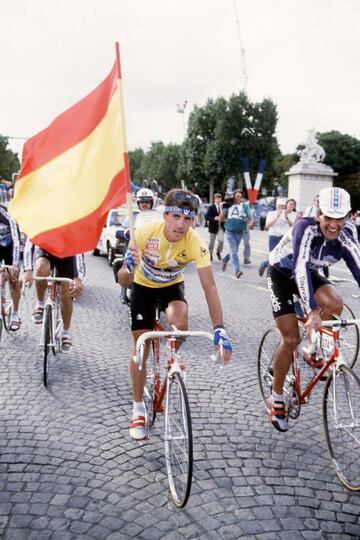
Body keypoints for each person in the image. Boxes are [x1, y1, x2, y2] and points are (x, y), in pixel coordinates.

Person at [118, 188, 233, 440]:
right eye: (176, 217)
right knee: (140, 349)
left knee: (180, 321)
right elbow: (122, 279)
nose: (181, 225)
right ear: (166, 215)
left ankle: (172, 358)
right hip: (143, 287)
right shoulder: (144, 233)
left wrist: (219, 328)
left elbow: (210, 287)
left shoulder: (195, 243)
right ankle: (138, 407)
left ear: (194, 221)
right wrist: (129, 266)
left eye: (188, 219)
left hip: (171, 286)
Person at [266, 186, 360, 432]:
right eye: (328, 217)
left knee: (335, 303)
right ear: (318, 214)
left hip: (309, 274)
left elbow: (359, 268)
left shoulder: (348, 233)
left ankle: (312, 348)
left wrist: (318, 312)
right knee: (289, 338)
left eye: (340, 218)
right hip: (282, 274)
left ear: (349, 217)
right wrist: (312, 312)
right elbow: (298, 268)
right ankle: (276, 396)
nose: (333, 224)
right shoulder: (304, 228)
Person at [30, 248, 85, 352]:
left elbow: (78, 248)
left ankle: (65, 332)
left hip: (67, 253)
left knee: (67, 292)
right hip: (46, 250)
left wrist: (78, 278)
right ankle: (40, 303)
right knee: (41, 269)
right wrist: (27, 269)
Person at [258, 198, 298, 277]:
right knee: (274, 256)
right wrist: (276, 217)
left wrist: (286, 217)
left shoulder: (293, 214)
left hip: (285, 238)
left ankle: (265, 265)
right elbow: (267, 226)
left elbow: (293, 227)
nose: (281, 208)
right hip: (274, 236)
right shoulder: (271, 213)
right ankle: (267, 271)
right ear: (276, 206)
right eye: (279, 206)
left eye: (282, 206)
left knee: (284, 256)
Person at [220, 190, 254, 278]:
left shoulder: (245, 206)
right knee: (234, 251)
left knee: (233, 251)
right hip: (229, 231)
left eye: (240, 196)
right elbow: (221, 219)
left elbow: (251, 218)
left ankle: (224, 260)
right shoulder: (228, 205)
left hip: (240, 232)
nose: (238, 198)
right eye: (236, 196)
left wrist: (249, 224)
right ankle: (237, 270)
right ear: (233, 197)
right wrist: (223, 210)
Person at [0, 204, 22, 330]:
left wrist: (15, 265)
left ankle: (15, 313)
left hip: (10, 246)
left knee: (14, 280)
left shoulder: (8, 214)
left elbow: (17, 240)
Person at [205, 193, 224, 261]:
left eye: (220, 199)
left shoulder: (223, 207)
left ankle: (218, 251)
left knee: (221, 240)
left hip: (221, 226)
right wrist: (214, 218)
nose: (219, 200)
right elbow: (206, 217)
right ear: (214, 199)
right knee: (212, 241)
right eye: (217, 199)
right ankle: (210, 254)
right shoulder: (211, 207)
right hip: (213, 226)